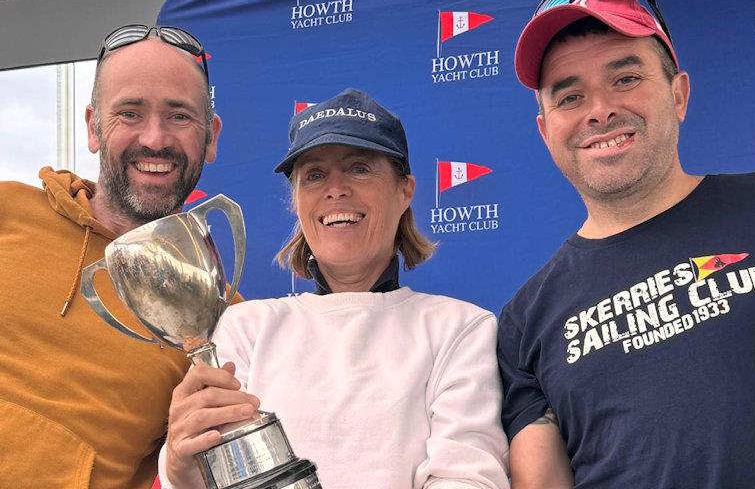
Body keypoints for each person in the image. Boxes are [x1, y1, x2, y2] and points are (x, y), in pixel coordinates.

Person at [498, 0, 755, 489]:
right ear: (546, 131)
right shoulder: (525, 320)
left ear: (678, 94)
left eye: (626, 79)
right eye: (569, 97)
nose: (600, 110)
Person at [159, 88, 510, 489]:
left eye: (359, 168)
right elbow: (215, 470)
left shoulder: (460, 327)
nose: (336, 189)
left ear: (405, 190)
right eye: (314, 175)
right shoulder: (246, 326)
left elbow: (467, 477)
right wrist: (181, 470)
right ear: (296, 201)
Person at [0, 25, 224, 488]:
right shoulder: (8, 211)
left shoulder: (223, 316)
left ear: (211, 137)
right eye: (130, 112)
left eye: (180, 116)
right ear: (92, 127)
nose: (155, 138)